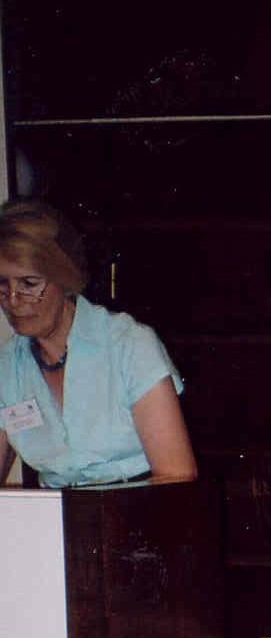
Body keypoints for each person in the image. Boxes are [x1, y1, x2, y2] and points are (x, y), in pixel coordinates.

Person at [0, 200, 197, 486]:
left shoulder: (129, 345)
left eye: (29, 284)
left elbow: (177, 476)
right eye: (2, 285)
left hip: (141, 505)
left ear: (64, 278)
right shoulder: (6, 368)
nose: (13, 300)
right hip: (56, 510)